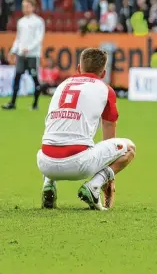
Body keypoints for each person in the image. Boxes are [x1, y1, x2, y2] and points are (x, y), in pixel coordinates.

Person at [37, 48, 136, 210]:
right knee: (129, 148)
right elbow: (109, 130)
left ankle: (48, 183)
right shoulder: (105, 89)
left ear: (78, 68)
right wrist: (108, 179)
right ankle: (94, 186)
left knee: (55, 135)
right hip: (78, 165)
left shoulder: (62, 85)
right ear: (103, 73)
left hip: (45, 163)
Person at [2, 0, 45, 110]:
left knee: (34, 78)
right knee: (17, 76)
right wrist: (13, 50)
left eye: (27, 6)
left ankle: (35, 104)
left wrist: (29, 48)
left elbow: (39, 38)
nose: (25, 9)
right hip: (21, 54)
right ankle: (12, 102)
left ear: (33, 7)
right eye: (23, 7)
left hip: (33, 54)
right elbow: (18, 38)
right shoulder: (21, 22)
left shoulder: (38, 21)